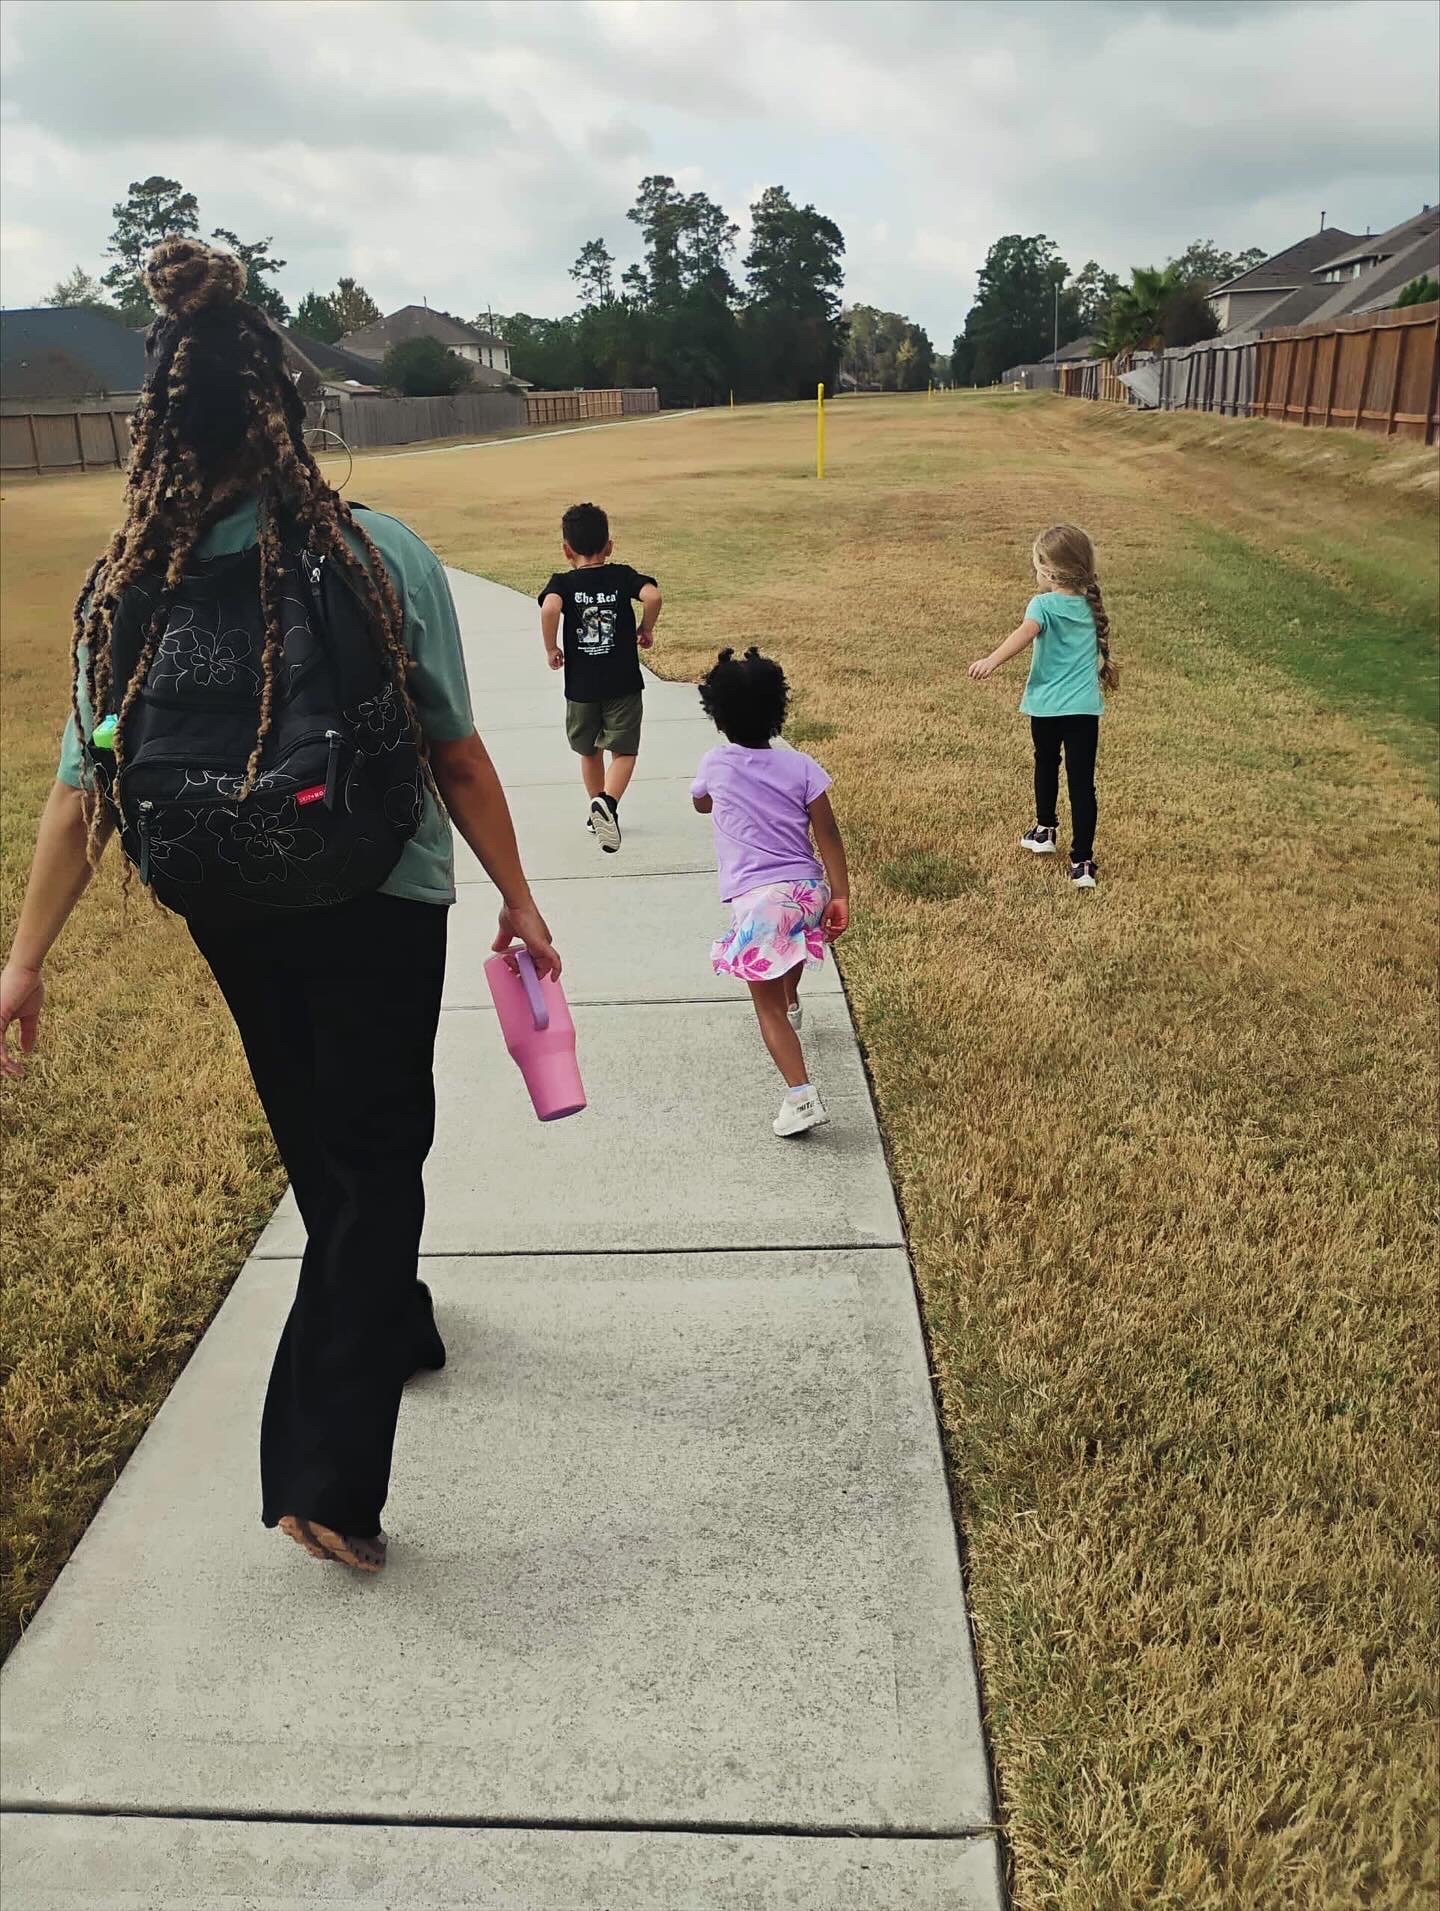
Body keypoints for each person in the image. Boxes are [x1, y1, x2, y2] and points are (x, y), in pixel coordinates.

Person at [0, 239, 561, 1575]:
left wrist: (23, 959)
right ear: (285, 406)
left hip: (227, 897)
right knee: (378, 1161)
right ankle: (325, 1478)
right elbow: (459, 755)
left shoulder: (129, 586)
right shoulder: (377, 555)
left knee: (326, 1137)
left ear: (155, 422)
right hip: (377, 885)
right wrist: (523, 901)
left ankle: (394, 1314)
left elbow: (82, 794)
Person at [691, 648, 849, 1138]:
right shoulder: (801, 766)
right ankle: (795, 997)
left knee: (767, 1008)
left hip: (759, 898)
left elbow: (700, 802)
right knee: (793, 941)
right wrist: (839, 894)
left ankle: (801, 1097)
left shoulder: (715, 762)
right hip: (806, 889)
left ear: (716, 715)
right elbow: (829, 834)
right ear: (778, 710)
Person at [967, 522, 1117, 890]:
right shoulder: (1089, 605)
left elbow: (1024, 634)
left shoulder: (1043, 604)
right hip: (1084, 710)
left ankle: (1045, 829)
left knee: (1046, 763)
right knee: (1083, 784)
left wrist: (991, 660)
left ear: (1050, 572)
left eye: (1037, 566)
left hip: (1047, 707)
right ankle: (1083, 862)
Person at [538, 503, 661, 855]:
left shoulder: (562, 582)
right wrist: (645, 628)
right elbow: (653, 595)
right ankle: (608, 803)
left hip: (581, 687)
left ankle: (597, 809)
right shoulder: (622, 576)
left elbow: (549, 608)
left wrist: (551, 647)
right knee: (623, 750)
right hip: (623, 682)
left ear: (566, 550)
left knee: (588, 749)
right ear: (609, 545)